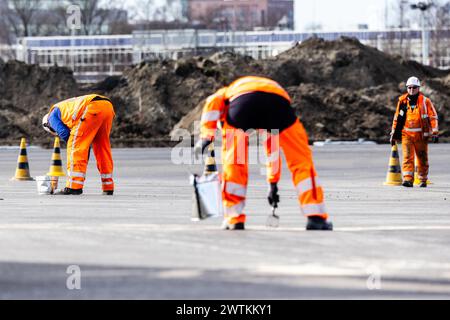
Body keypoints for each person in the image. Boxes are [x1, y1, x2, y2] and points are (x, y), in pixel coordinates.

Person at [197, 76, 333, 231]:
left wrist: (206, 136)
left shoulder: (226, 92)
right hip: (278, 104)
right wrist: (272, 183)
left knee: (234, 161)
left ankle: (234, 218)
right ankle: (315, 218)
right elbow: (271, 150)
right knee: (301, 161)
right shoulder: (262, 86)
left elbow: (212, 101)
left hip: (243, 103)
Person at [42, 94, 115, 195]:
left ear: (48, 125)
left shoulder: (51, 117)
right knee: (102, 148)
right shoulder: (64, 108)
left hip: (91, 108)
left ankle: (74, 187)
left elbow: (64, 132)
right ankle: (108, 186)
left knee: (74, 146)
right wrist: (84, 146)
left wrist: (78, 146)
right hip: (107, 106)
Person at [390, 76, 439, 188]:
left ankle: (422, 179)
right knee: (407, 157)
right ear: (407, 88)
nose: (411, 90)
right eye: (409, 88)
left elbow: (433, 117)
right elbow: (396, 118)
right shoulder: (402, 101)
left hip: (421, 135)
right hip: (406, 134)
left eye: (414, 88)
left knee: (422, 158)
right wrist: (393, 134)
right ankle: (408, 179)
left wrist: (435, 132)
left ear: (418, 88)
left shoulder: (425, 101)